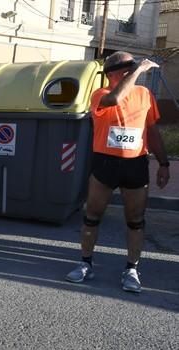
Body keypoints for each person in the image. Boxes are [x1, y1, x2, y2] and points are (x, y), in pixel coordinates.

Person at [65, 52, 171, 293]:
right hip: (105, 163)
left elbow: (152, 131)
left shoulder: (145, 95)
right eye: (127, 68)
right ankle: (85, 263)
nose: (132, 71)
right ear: (112, 73)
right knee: (92, 215)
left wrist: (164, 163)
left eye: (132, 67)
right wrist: (138, 69)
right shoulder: (100, 95)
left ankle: (131, 268)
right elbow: (115, 99)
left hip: (135, 164)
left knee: (136, 220)